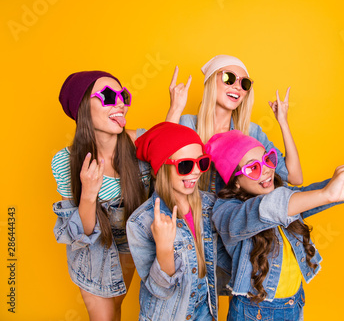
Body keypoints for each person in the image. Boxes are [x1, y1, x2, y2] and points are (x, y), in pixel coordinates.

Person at [204, 130, 344, 320]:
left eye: (268, 159)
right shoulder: (227, 212)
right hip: (255, 312)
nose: (266, 170)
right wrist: (325, 194)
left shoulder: (284, 194)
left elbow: (327, 192)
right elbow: (265, 209)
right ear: (235, 181)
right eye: (253, 168)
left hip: (294, 303)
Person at [51, 71, 150, 320]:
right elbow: (80, 234)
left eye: (123, 95)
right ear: (83, 107)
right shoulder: (66, 161)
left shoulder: (139, 143)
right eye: (108, 96)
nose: (120, 103)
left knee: (115, 310)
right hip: (92, 249)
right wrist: (88, 194)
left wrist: (175, 108)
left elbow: (174, 152)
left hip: (129, 244)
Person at [127, 122, 228, 320]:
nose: (197, 171)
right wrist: (164, 248)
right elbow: (161, 290)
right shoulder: (140, 222)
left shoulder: (210, 205)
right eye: (185, 165)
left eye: (202, 162)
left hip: (206, 310)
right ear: (162, 168)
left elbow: (225, 256)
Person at [166, 55, 303, 193]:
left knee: (287, 194)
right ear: (211, 81)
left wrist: (283, 122)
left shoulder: (252, 132)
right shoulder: (187, 124)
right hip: (192, 209)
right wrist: (175, 109)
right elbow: (161, 171)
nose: (237, 87)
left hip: (234, 212)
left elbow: (295, 178)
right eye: (229, 78)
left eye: (245, 84)